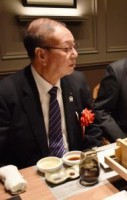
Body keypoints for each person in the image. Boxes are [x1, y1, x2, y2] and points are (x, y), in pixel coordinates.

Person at [0, 18, 102, 169]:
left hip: (76, 168)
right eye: (67, 48)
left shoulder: (77, 81)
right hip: (32, 177)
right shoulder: (7, 92)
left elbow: (93, 126)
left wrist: (88, 160)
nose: (75, 54)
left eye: (74, 46)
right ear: (41, 55)